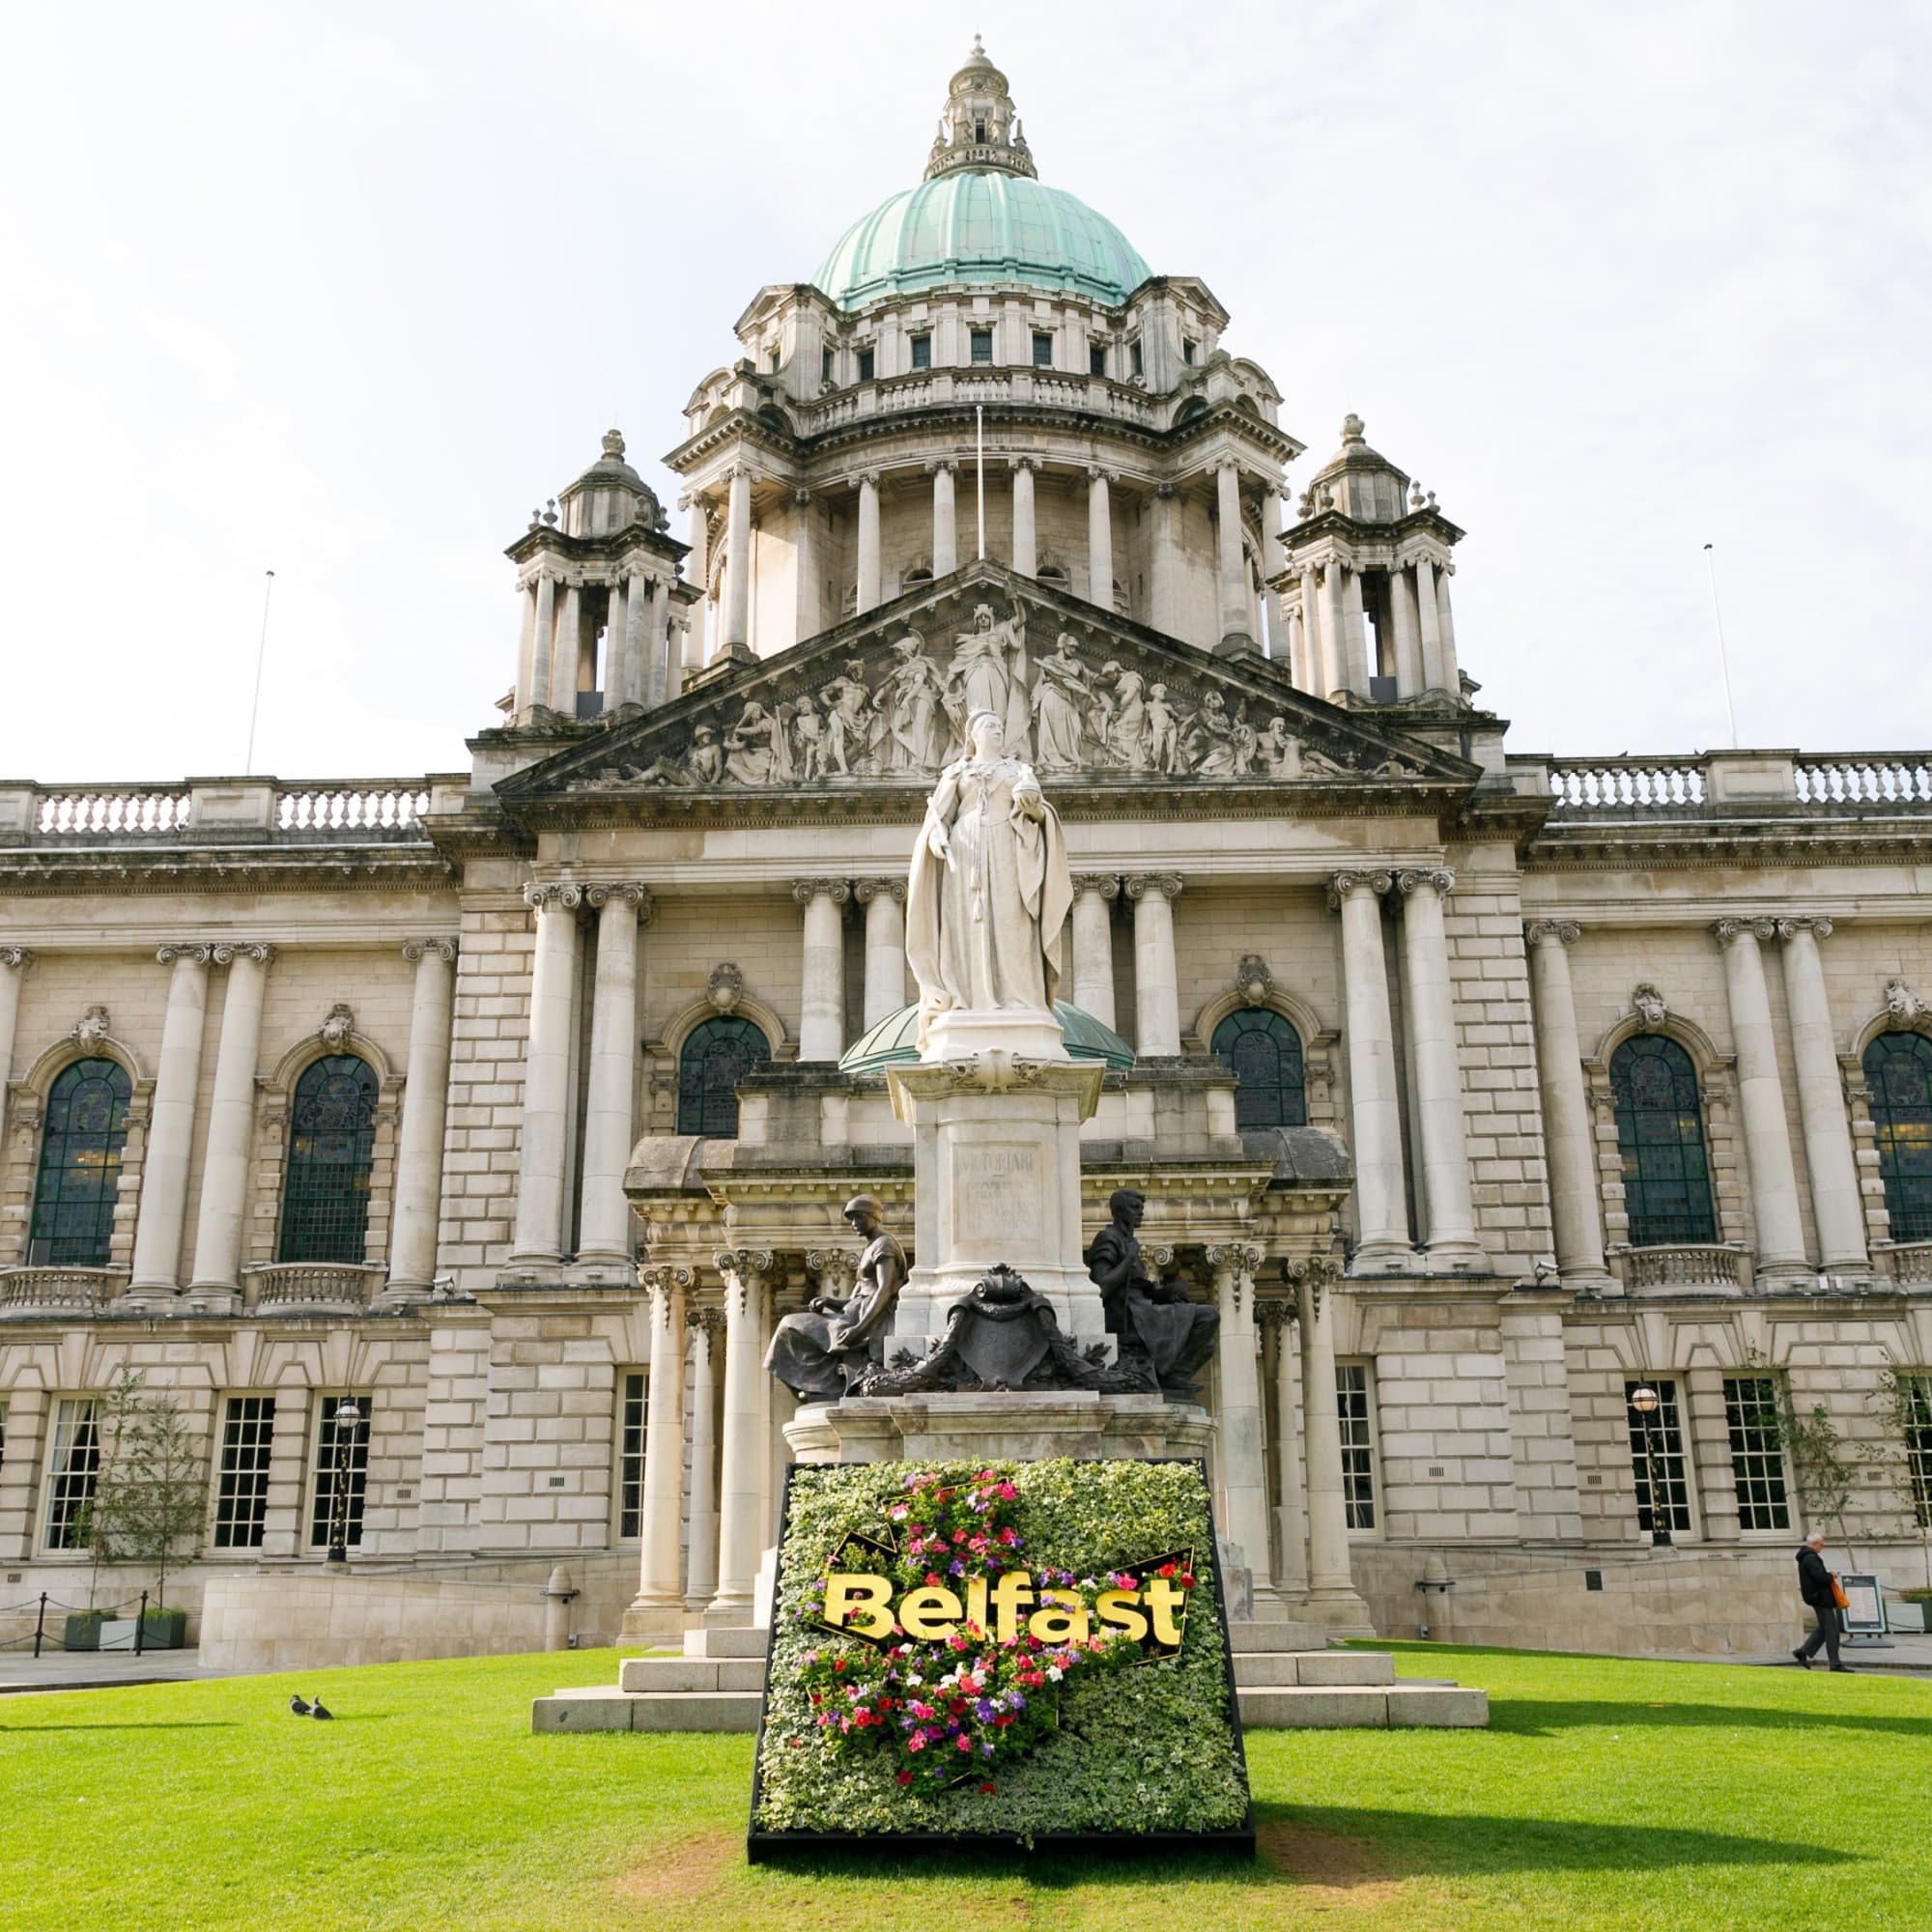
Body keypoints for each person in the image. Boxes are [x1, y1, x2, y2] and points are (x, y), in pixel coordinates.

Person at [904, 707, 1072, 1044]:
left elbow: (1037, 810)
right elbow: (940, 817)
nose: (997, 730)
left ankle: (1020, 999)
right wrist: (936, 838)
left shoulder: (1019, 769)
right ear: (973, 735)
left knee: (1013, 921)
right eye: (989, 726)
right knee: (966, 926)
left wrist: (1034, 809)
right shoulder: (956, 772)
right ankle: (966, 999)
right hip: (966, 853)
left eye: (999, 725)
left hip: (1008, 850)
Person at [763, 1195, 907, 1401]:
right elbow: (861, 1294)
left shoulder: (884, 1245)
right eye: (851, 1219)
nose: (854, 1224)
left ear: (874, 1217)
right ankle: (820, 1388)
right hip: (855, 1312)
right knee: (788, 1329)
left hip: (869, 1320)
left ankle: (826, 1386)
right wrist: (831, 1302)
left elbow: (884, 1291)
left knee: (790, 1326)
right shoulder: (870, 1247)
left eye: (859, 1217)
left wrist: (859, 1330)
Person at [1083, 1187, 1219, 1400]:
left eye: (1141, 1208)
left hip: (1142, 1310)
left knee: (1207, 1344)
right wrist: (1128, 1260)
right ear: (1120, 1211)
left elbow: (1139, 1287)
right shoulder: (1108, 1239)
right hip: (1127, 1315)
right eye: (1135, 1208)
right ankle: (1169, 1376)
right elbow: (1100, 1287)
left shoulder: (1128, 1241)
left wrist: (1165, 1294)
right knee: (1208, 1316)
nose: (1141, 1213)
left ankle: (1171, 1378)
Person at [1792, 1530, 1852, 1671]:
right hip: (1820, 1597)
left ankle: (1802, 1652)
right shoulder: (1811, 1558)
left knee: (1824, 1628)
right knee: (1832, 1631)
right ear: (1814, 1544)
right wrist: (1831, 1575)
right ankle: (1835, 1663)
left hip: (1815, 1596)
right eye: (1821, 1545)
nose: (1822, 1548)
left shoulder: (1806, 1557)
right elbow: (1820, 1578)